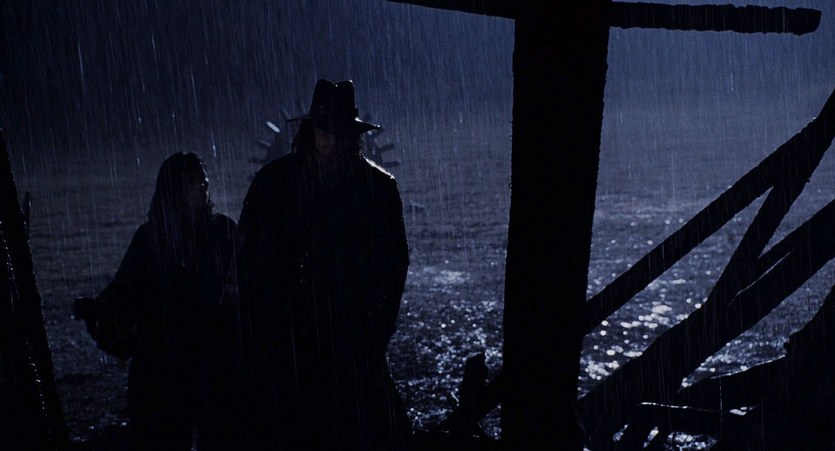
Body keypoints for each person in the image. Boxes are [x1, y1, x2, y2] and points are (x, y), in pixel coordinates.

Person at [227, 79, 411, 450]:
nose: (333, 140)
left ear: (353, 136)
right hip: (289, 336)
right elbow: (248, 262)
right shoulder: (273, 185)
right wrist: (264, 327)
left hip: (352, 333)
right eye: (326, 130)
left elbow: (394, 265)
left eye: (340, 132)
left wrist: (375, 331)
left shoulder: (377, 188)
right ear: (311, 132)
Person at [73, 152, 237, 451]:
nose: (203, 184)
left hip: (211, 361)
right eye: (192, 180)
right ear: (174, 190)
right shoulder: (151, 239)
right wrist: (97, 309)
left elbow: (244, 284)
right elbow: (125, 290)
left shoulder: (222, 232)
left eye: (203, 178)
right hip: (163, 365)